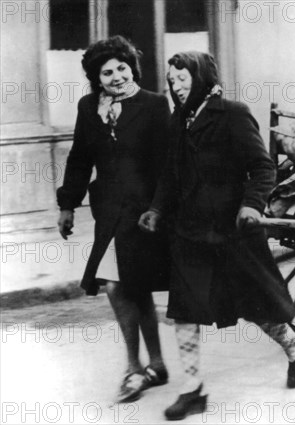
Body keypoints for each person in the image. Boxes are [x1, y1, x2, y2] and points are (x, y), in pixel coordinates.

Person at [138, 51, 295, 421]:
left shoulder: (232, 114)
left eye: (183, 77)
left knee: (256, 307)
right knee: (184, 310)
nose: (176, 85)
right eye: (172, 80)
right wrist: (156, 209)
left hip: (232, 230)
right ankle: (192, 391)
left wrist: (252, 206)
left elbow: (262, 167)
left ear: (202, 76)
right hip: (189, 232)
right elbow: (170, 176)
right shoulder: (179, 121)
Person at [56, 35, 171, 403]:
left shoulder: (154, 105)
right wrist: (67, 205)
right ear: (96, 77)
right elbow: (79, 159)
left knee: (120, 286)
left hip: (142, 212)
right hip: (108, 210)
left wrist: (159, 209)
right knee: (128, 286)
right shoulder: (89, 107)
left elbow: (167, 165)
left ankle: (135, 369)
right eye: (107, 72)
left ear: (131, 67)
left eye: (122, 68)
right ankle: (153, 364)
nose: (117, 76)